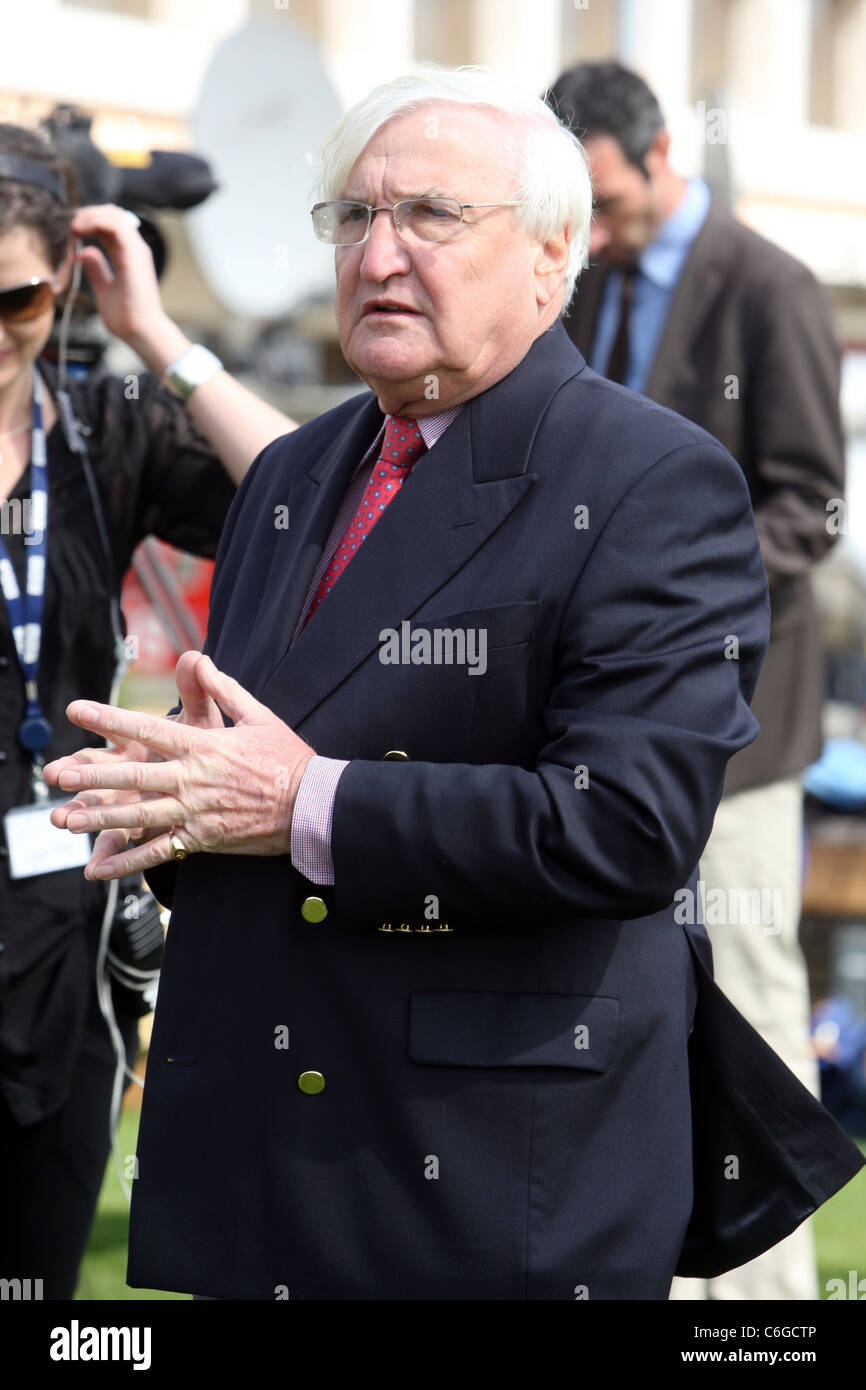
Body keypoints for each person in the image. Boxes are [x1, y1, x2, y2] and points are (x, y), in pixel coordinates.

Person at [44, 67, 863, 1302]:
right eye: (354, 218)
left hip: (479, 1179)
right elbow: (280, 740)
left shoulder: (651, 482)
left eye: (429, 215)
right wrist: (176, 792)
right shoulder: (297, 471)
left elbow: (624, 825)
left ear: (549, 259)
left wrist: (302, 804)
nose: (379, 255)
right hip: (268, 1156)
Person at [548, 60, 846, 1301]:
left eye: (606, 202)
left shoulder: (767, 283)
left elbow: (810, 506)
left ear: (662, 152)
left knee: (756, 1001)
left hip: (738, 732)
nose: (595, 230)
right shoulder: (580, 279)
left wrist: (658, 588)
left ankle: (770, 1309)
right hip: (590, 725)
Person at [0, 122, 296, 1300]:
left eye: (14, 295)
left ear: (63, 278)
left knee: (37, 1271)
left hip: (54, 913)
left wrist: (153, 335)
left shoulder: (101, 432)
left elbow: (303, 504)